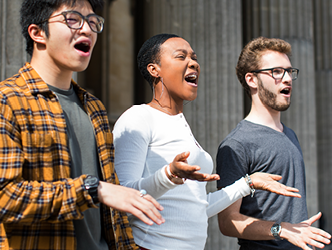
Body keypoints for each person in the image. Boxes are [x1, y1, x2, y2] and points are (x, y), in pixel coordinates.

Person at [0, 1, 164, 249]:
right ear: (37, 32)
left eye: (93, 21)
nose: (87, 29)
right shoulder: (4, 100)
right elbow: (1, 199)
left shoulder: (94, 108)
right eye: (73, 19)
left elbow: (112, 213)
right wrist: (91, 190)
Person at [113, 33, 302, 250]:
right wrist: (168, 175)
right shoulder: (138, 117)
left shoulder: (182, 125)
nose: (193, 63)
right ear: (154, 69)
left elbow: (197, 208)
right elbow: (122, 198)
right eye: (181, 57)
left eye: (194, 57)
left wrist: (247, 184)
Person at [215, 36, 332, 250]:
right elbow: (227, 222)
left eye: (289, 71)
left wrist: (296, 230)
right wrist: (282, 229)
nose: (287, 78)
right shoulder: (236, 144)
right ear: (252, 79)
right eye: (277, 72)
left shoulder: (290, 135)